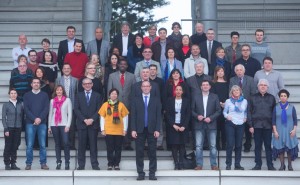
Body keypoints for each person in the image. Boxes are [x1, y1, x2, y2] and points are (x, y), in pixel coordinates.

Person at [131, 81, 161, 181]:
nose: (146, 88)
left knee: (152, 152)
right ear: (141, 88)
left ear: (150, 87)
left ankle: (152, 173)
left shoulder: (156, 100)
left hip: (152, 130)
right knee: (139, 152)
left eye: (147, 86)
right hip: (139, 129)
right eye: (144, 86)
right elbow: (133, 115)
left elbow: (158, 116)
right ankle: (140, 173)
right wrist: (133, 129)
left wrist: (157, 129)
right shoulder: (135, 100)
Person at [107, 59, 136, 150]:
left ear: (127, 66)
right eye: (121, 64)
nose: (123, 65)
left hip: (128, 104)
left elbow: (134, 92)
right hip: (115, 104)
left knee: (127, 124)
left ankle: (127, 144)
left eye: (125, 64)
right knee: (116, 124)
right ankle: (117, 144)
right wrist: (110, 104)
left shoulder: (132, 76)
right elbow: (109, 90)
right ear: (118, 65)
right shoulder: (112, 76)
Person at [247, 79, 276, 170]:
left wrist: (273, 126)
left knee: (268, 146)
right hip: (256, 126)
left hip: (268, 126)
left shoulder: (272, 98)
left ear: (267, 87)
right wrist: (251, 125)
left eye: (265, 85)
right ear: (258, 87)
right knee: (258, 146)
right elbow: (249, 112)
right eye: (261, 85)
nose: (263, 86)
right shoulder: (252, 97)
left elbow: (274, 113)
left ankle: (270, 165)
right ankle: (258, 165)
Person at [192, 80, 221, 170]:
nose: (205, 86)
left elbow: (218, 110)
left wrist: (211, 118)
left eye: (206, 85)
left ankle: (214, 165)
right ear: (201, 87)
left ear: (209, 87)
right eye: (203, 85)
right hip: (199, 123)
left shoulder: (215, 97)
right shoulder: (196, 97)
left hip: (211, 124)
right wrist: (197, 116)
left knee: (212, 146)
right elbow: (192, 110)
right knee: (198, 146)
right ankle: (199, 165)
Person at [74, 78, 102, 170]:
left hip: (93, 124)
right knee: (81, 146)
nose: (87, 85)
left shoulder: (97, 95)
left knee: (93, 146)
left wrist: (92, 119)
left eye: (89, 83)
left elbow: (99, 109)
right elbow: (76, 109)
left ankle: (95, 165)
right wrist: (84, 120)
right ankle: (81, 165)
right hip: (82, 124)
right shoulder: (78, 95)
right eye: (85, 84)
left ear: (92, 84)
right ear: (82, 85)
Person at [99, 88, 129, 170]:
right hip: (108, 130)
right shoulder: (105, 105)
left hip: (119, 130)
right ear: (109, 95)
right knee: (110, 148)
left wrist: (125, 129)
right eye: (112, 93)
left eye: (115, 94)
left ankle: (116, 164)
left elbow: (125, 117)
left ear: (117, 95)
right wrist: (102, 129)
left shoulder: (121, 105)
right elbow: (102, 117)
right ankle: (110, 163)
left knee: (118, 148)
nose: (114, 95)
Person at [23, 78, 50, 170]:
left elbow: (46, 108)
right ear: (31, 84)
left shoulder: (45, 95)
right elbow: (26, 109)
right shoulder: (27, 95)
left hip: (42, 123)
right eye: (34, 83)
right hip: (30, 123)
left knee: (42, 145)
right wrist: (34, 118)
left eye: (38, 83)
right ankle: (28, 163)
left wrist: (39, 118)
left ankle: (43, 163)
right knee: (29, 145)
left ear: (40, 84)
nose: (36, 84)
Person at [229, 64, 256, 152]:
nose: (239, 72)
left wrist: (249, 104)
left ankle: (247, 145)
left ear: (244, 71)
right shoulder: (232, 80)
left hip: (248, 106)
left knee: (248, 126)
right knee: (236, 127)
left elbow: (253, 93)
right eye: (237, 70)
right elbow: (230, 93)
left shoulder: (251, 79)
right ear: (235, 71)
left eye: (241, 70)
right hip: (236, 107)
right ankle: (236, 146)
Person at [272, 89, 299, 171]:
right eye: (281, 96)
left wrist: (294, 130)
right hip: (279, 131)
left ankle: (290, 166)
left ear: (287, 97)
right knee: (280, 148)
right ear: (279, 97)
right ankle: (282, 165)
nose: (283, 97)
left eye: (285, 96)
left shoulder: (292, 107)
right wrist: (275, 131)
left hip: (290, 131)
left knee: (290, 148)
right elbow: (273, 121)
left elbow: (295, 120)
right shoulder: (276, 107)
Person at [165, 85, 190, 170]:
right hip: (173, 126)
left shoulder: (186, 101)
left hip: (183, 125)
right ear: (174, 91)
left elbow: (188, 114)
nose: (178, 91)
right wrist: (173, 124)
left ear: (182, 92)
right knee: (174, 145)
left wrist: (184, 126)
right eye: (177, 90)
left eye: (180, 90)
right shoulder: (169, 100)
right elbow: (167, 114)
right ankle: (176, 163)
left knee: (182, 145)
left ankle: (181, 163)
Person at [223, 85, 247, 170]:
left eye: (238, 90)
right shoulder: (228, 101)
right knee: (230, 144)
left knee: (239, 145)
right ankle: (228, 164)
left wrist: (245, 117)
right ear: (232, 92)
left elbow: (245, 111)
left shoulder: (244, 101)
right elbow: (224, 112)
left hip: (240, 124)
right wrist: (226, 116)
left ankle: (237, 164)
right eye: (234, 90)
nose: (236, 92)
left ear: (240, 92)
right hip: (230, 123)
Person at [48, 85, 72, 170]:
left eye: (60, 90)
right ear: (55, 91)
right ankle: (58, 162)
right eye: (57, 90)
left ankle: (67, 162)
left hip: (64, 124)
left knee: (65, 143)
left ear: (63, 91)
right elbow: (50, 114)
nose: (59, 91)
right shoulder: (52, 101)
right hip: (54, 125)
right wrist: (49, 126)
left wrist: (68, 125)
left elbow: (70, 114)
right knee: (57, 144)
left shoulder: (67, 100)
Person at [56, 63, 78, 150]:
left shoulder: (75, 80)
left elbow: (77, 93)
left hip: (72, 106)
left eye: (68, 68)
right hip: (60, 107)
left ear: (71, 70)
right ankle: (62, 145)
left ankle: (71, 145)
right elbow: (56, 92)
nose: (66, 70)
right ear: (62, 70)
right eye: (64, 68)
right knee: (61, 125)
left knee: (71, 126)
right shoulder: (58, 80)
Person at [2, 89, 23, 170]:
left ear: (17, 94)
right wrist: (6, 129)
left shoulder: (20, 104)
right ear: (9, 95)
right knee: (8, 146)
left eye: (15, 93)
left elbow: (21, 116)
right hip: (9, 128)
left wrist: (21, 127)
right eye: (12, 93)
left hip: (18, 128)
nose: (13, 95)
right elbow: (3, 118)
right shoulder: (6, 105)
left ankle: (13, 163)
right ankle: (7, 163)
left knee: (15, 146)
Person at [211, 66, 229, 150]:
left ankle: (225, 145)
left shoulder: (227, 83)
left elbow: (229, 94)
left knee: (225, 128)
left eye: (222, 71)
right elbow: (212, 95)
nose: (220, 73)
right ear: (216, 73)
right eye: (219, 71)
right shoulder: (213, 83)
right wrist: (219, 103)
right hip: (216, 108)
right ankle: (217, 145)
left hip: (226, 108)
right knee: (217, 128)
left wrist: (226, 103)